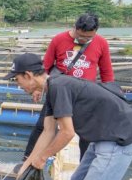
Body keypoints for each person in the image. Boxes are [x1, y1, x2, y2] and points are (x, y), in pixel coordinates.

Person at [24, 13, 114, 160]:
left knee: (87, 133)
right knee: (43, 126)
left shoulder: (101, 43)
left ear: (96, 32)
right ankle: (28, 158)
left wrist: (111, 95)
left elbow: (107, 72)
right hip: (58, 92)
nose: (84, 40)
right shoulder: (59, 39)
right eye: (81, 36)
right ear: (75, 28)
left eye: (88, 38)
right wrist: (37, 88)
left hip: (85, 96)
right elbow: (45, 66)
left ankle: (84, 166)